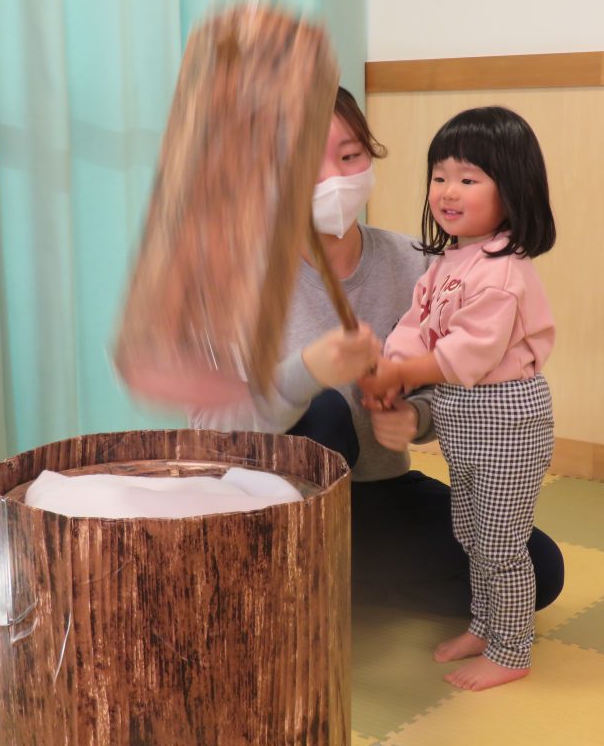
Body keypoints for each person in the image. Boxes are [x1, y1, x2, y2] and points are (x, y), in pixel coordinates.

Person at [190, 88, 564, 620]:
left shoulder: (423, 263)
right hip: (268, 508)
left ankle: (335, 582)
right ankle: (302, 573)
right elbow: (210, 429)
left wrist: (414, 417)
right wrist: (305, 373)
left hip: (376, 494)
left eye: (349, 156)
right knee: (325, 411)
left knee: (538, 567)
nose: (334, 180)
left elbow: (454, 381)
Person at [359, 106, 557, 692]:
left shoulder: (504, 270)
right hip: (461, 421)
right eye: (440, 176)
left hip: (507, 421)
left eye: (468, 179)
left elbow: (470, 350)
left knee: (501, 544)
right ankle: (482, 624)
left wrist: (405, 372)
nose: (448, 191)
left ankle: (511, 649)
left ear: (512, 190)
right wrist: (392, 367)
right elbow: (415, 325)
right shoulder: (449, 260)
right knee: (469, 533)